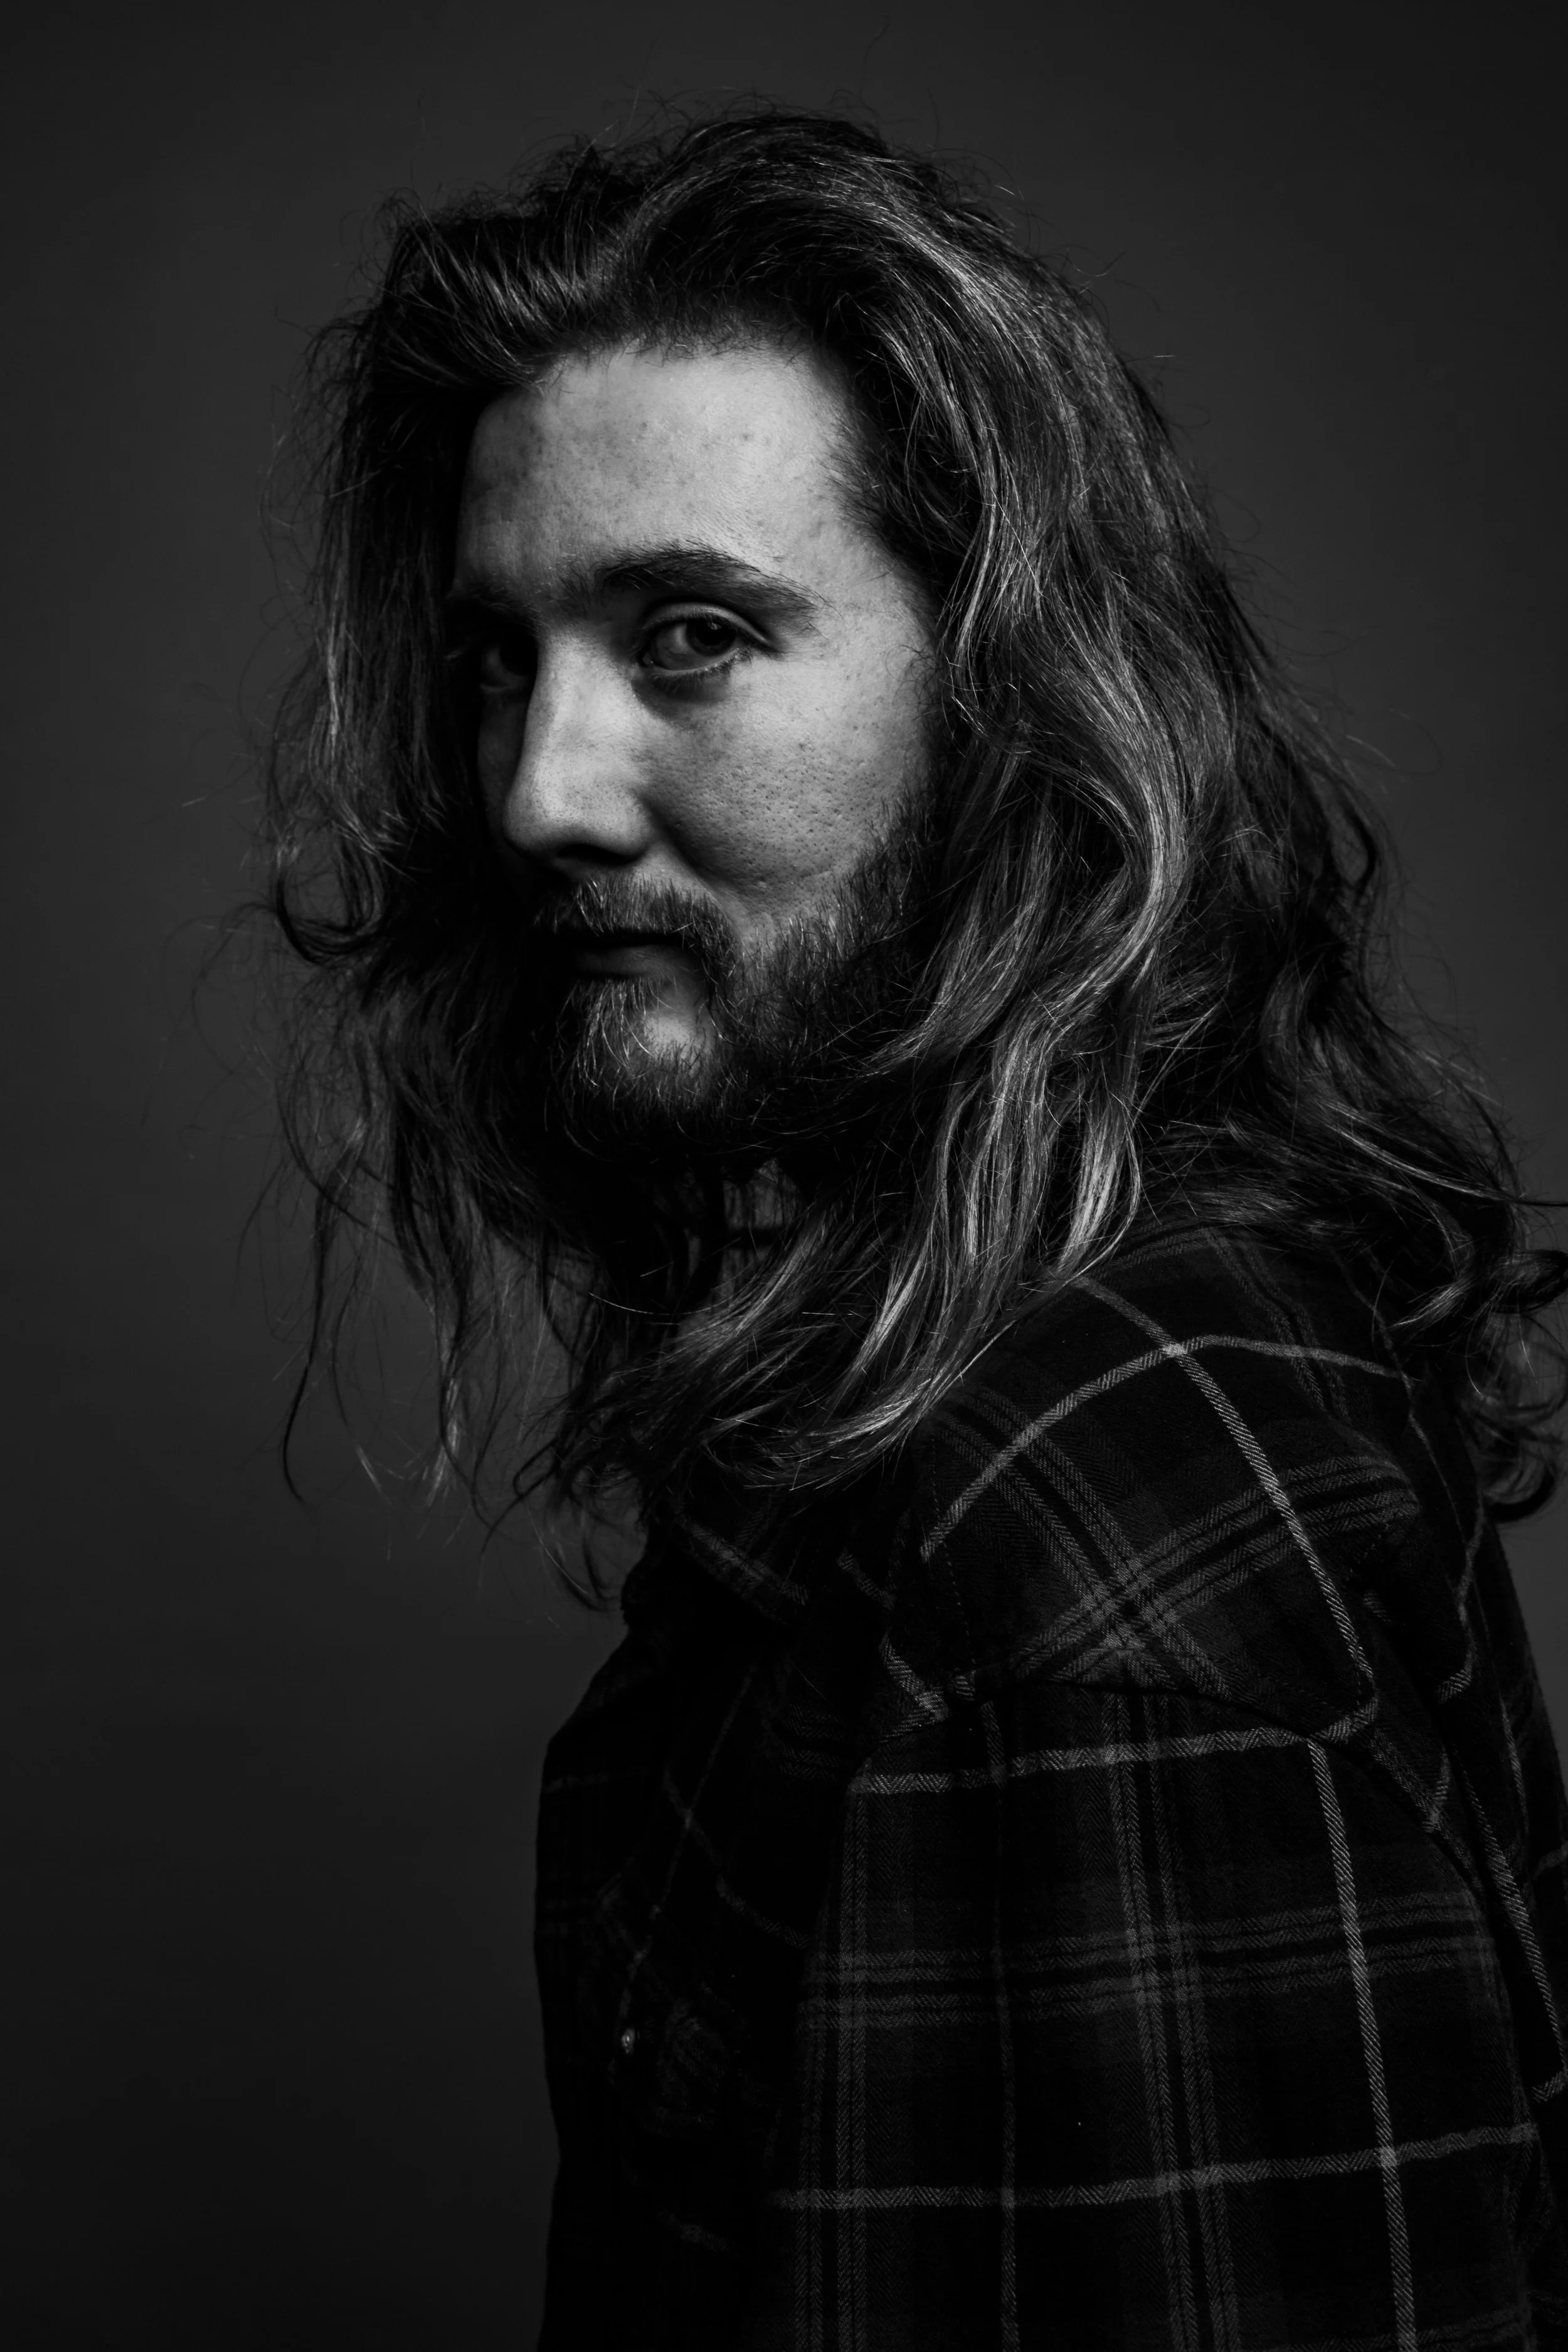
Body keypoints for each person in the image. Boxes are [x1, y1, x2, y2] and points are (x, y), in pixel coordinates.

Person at [263, 106, 1568, 2349]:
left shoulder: (1099, 1552)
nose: (540, 791)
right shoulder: (936, 1387)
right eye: (504, 654)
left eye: (690, 635)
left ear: (1006, 694)